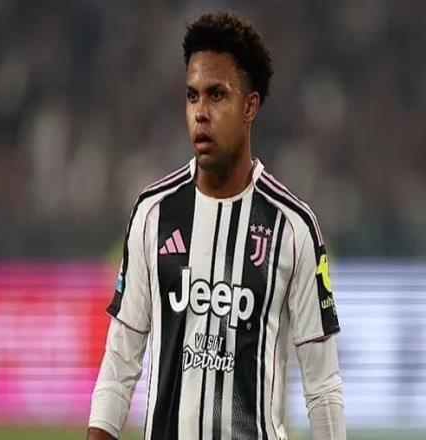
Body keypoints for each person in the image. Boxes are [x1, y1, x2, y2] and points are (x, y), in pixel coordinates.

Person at [88, 11, 345, 440]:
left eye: (217, 95)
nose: (201, 113)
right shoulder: (153, 214)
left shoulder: (293, 228)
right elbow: (119, 362)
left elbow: (323, 386)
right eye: (192, 96)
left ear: (250, 106)